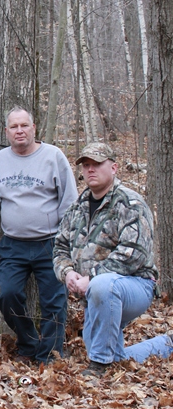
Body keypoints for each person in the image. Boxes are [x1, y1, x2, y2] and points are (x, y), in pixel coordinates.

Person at [0, 107, 77, 363]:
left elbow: (70, 202)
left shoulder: (53, 157)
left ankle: (50, 355)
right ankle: (28, 343)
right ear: (7, 131)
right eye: (14, 127)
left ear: (34, 128)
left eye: (24, 125)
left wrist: (66, 241)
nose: (20, 131)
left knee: (54, 302)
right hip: (13, 244)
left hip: (50, 243)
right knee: (8, 296)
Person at [53, 142, 173, 376]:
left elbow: (134, 254)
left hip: (135, 286)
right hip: (92, 294)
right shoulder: (76, 208)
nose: (90, 169)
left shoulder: (131, 203)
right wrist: (67, 273)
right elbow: (59, 248)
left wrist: (91, 278)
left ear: (114, 167)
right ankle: (165, 344)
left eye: (97, 164)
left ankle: (99, 367)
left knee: (103, 286)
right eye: (86, 165)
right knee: (114, 353)